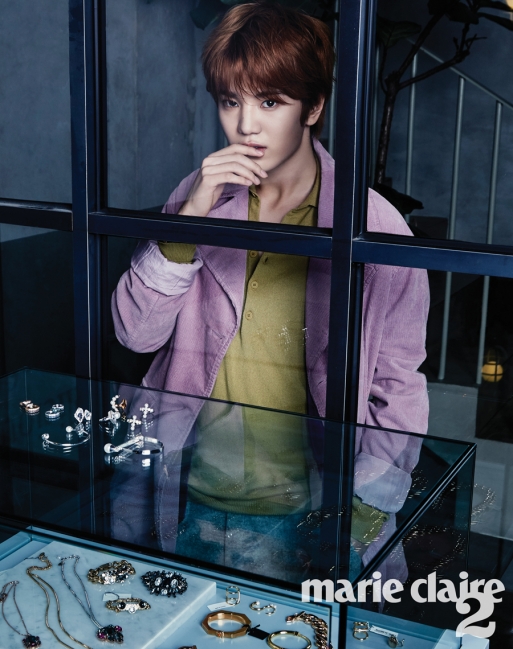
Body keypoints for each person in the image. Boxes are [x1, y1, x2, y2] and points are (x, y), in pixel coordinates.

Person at [112, 1, 429, 580]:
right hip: (187, 492)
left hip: (308, 512)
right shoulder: (197, 194)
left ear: (314, 107)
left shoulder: (373, 225)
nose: (246, 126)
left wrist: (360, 514)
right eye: (230, 101)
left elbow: (397, 384)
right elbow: (136, 334)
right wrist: (190, 218)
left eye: (270, 102)